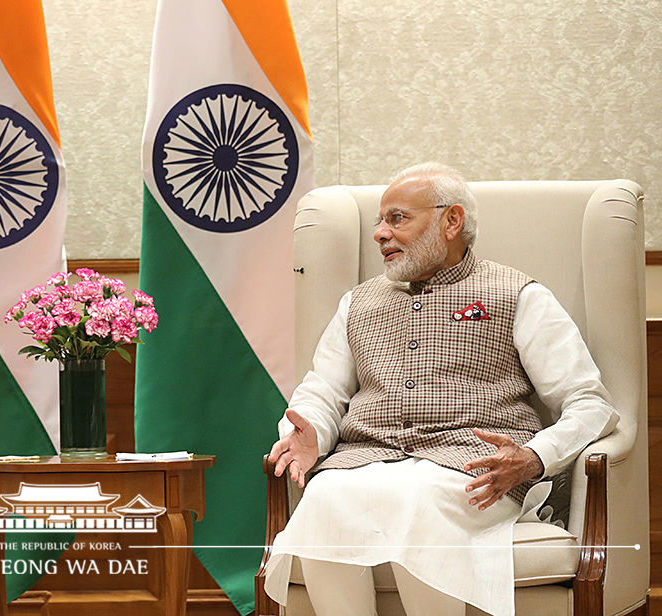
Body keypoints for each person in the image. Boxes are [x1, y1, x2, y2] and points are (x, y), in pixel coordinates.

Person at [263, 163, 618, 616]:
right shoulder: (358, 303)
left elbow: (590, 403)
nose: (379, 234)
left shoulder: (518, 294)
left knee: (421, 498)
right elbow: (322, 392)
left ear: (451, 221)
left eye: (397, 218)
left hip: (474, 470)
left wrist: (533, 458)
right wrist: (309, 429)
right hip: (368, 461)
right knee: (325, 496)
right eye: (379, 221)